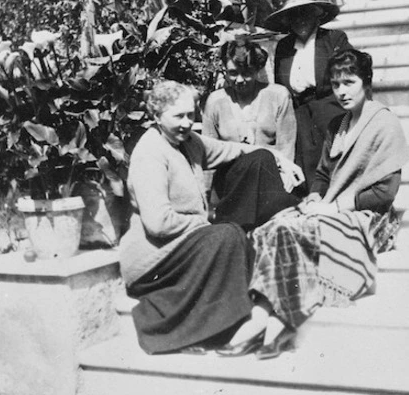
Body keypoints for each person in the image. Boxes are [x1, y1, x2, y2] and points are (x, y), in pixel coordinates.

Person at [216, 49, 409, 360]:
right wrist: (316, 196)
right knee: (275, 225)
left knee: (295, 232)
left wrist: (332, 208)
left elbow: (385, 193)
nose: (342, 91)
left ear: (367, 82)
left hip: (368, 215)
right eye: (335, 84)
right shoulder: (337, 125)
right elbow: (322, 174)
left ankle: (280, 317)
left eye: (349, 82)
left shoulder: (383, 123)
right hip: (331, 205)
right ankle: (263, 313)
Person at [118, 80, 301, 355]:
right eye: (178, 116)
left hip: (182, 241)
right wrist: (202, 224)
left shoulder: (188, 142)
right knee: (227, 234)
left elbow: (232, 149)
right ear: (156, 116)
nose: (186, 123)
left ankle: (232, 320)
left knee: (233, 230)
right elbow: (157, 223)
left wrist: (278, 157)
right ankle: (213, 327)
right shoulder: (150, 154)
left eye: (190, 115)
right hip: (153, 257)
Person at [203, 38, 300, 224]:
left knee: (263, 160)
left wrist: (285, 180)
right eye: (232, 73)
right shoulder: (215, 102)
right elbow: (207, 154)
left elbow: (286, 147)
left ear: (257, 70)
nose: (239, 80)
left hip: (270, 181)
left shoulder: (278, 96)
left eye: (246, 73)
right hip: (231, 184)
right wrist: (205, 202)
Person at [265, 0, 354, 188]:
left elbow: (351, 76)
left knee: (334, 157)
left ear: (317, 14)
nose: (300, 19)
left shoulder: (333, 39)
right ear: (287, 21)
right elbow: (280, 87)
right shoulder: (284, 47)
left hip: (331, 105)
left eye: (305, 12)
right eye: (293, 15)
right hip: (298, 112)